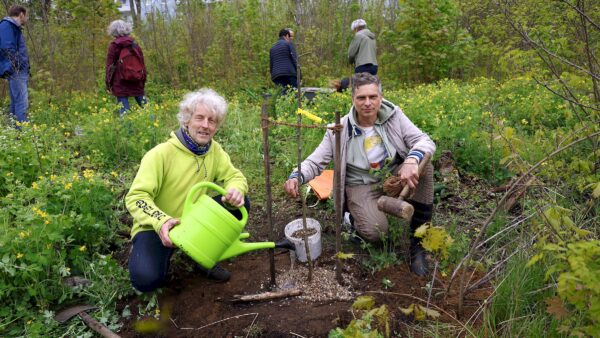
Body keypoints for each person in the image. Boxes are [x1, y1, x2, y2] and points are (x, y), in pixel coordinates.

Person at [283, 73, 435, 276]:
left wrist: (411, 160)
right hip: (360, 185)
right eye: (361, 98)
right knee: (376, 232)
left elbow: (425, 141)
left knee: (426, 166)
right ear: (352, 99)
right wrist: (297, 176)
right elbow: (315, 161)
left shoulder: (393, 115)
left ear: (381, 97)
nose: (368, 103)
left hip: (392, 177)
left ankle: (418, 246)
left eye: (373, 97)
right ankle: (352, 220)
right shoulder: (339, 128)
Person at [126, 89, 248, 292]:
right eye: (199, 118)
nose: (205, 125)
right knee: (146, 280)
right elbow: (136, 197)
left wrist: (236, 189)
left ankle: (202, 255)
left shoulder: (214, 150)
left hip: (193, 225)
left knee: (238, 204)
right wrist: (161, 221)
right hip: (157, 227)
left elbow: (234, 176)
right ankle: (157, 252)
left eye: (212, 121)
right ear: (186, 120)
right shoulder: (161, 154)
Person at [105, 19, 146, 115]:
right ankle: (154, 125)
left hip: (120, 82)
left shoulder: (114, 46)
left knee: (124, 110)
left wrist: (108, 84)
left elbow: (109, 67)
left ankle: (128, 129)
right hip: (136, 79)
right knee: (145, 106)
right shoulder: (135, 45)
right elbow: (142, 65)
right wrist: (142, 80)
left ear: (113, 31)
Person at [0, 5, 30, 125]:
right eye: (26, 16)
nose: (26, 19)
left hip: (17, 69)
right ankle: (23, 133)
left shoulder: (12, 27)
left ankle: (14, 131)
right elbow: (7, 48)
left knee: (16, 102)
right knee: (22, 102)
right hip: (16, 70)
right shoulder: (7, 26)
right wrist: (18, 65)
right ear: (21, 15)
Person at [269, 28, 298, 92]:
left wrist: (273, 76)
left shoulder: (272, 48)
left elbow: (271, 64)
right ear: (287, 36)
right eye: (290, 36)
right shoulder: (289, 44)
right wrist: (300, 76)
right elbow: (295, 60)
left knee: (283, 95)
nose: (291, 39)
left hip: (276, 75)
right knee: (295, 94)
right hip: (289, 73)